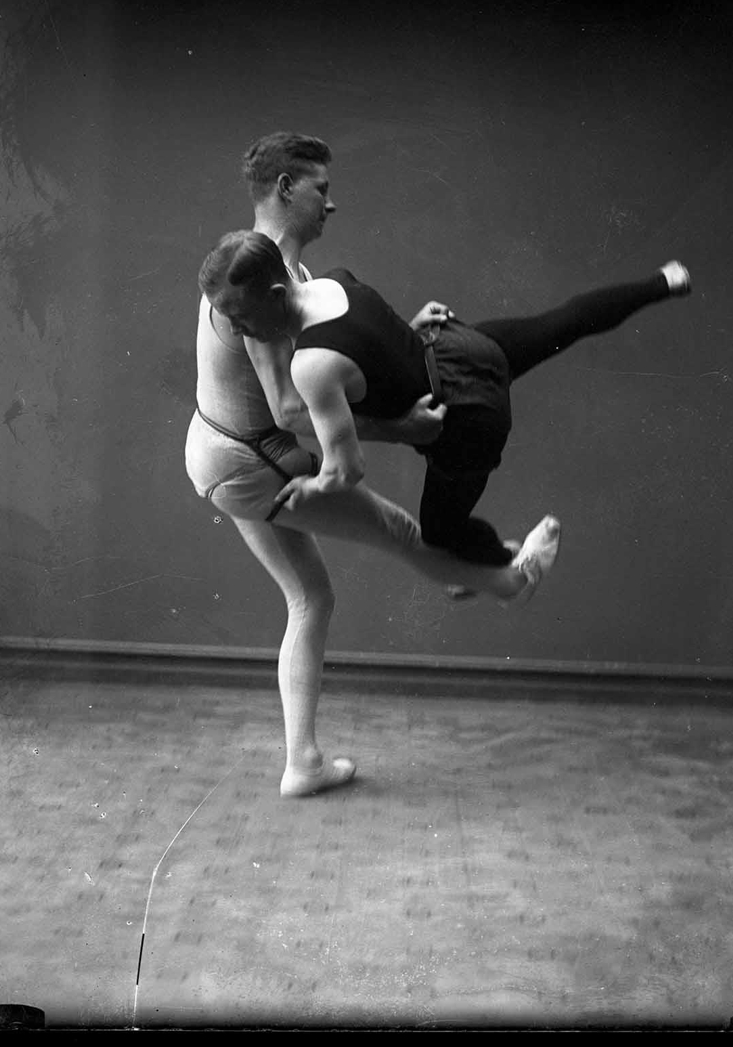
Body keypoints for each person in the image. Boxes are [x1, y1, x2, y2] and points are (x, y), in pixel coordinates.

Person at [185, 133, 560, 800]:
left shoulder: (264, 273)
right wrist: (401, 428)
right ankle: (511, 581)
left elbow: (325, 352)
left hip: (221, 455)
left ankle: (303, 764)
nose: (331, 203)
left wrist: (401, 338)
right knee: (400, 534)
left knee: (310, 597)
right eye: (321, 189)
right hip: (253, 460)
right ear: (285, 189)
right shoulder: (256, 285)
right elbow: (292, 409)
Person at [200, 232, 691, 575]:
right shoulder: (333, 280)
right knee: (562, 323)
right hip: (459, 348)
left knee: (438, 534)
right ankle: (664, 281)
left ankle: (507, 557)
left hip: (464, 419)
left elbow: (347, 471)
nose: (237, 331)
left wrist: (308, 489)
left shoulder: (311, 366)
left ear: (277, 292)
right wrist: (409, 330)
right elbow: (376, 343)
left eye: (240, 317)